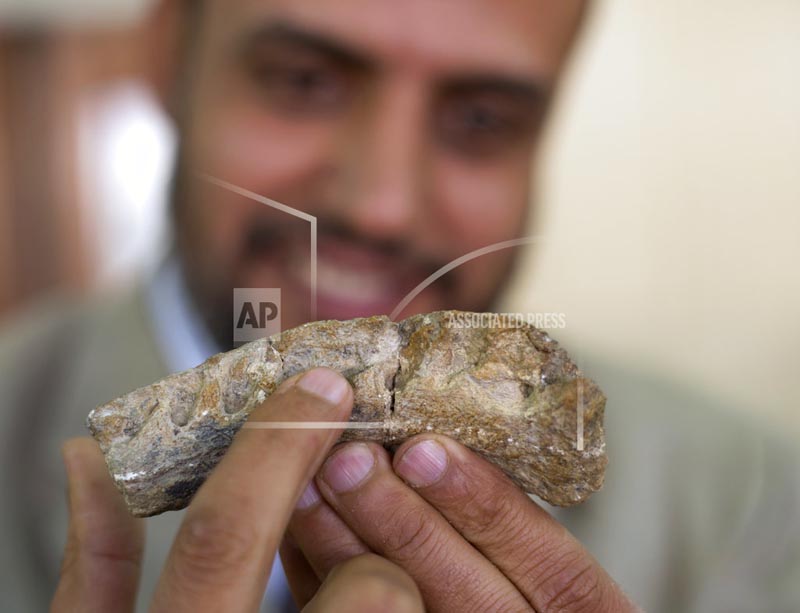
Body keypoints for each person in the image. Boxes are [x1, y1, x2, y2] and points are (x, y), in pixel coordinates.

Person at [0, 0, 797, 611]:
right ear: (164, 51)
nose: (382, 205)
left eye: (482, 120)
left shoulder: (749, 503)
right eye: (302, 80)